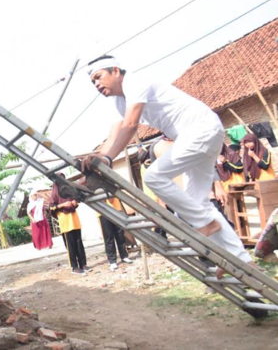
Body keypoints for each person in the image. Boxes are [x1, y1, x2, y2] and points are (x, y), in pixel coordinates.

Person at [82, 55, 253, 275]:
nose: (96, 84)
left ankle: (204, 224)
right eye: (92, 82)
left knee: (154, 177)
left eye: (98, 77)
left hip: (199, 130)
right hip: (196, 135)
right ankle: (243, 261)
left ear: (115, 71)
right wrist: (99, 157)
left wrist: (106, 159)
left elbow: (131, 124)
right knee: (198, 202)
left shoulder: (134, 82)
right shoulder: (119, 100)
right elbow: (116, 130)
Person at [50, 178, 90, 274]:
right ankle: (74, 267)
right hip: (65, 221)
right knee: (70, 245)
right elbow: (51, 207)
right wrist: (63, 204)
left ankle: (83, 264)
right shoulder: (54, 193)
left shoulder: (69, 190)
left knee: (79, 243)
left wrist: (74, 203)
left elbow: (77, 200)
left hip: (74, 219)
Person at [98, 197, 133, 270]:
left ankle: (124, 256)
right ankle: (112, 261)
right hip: (103, 211)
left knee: (120, 234)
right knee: (109, 236)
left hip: (116, 209)